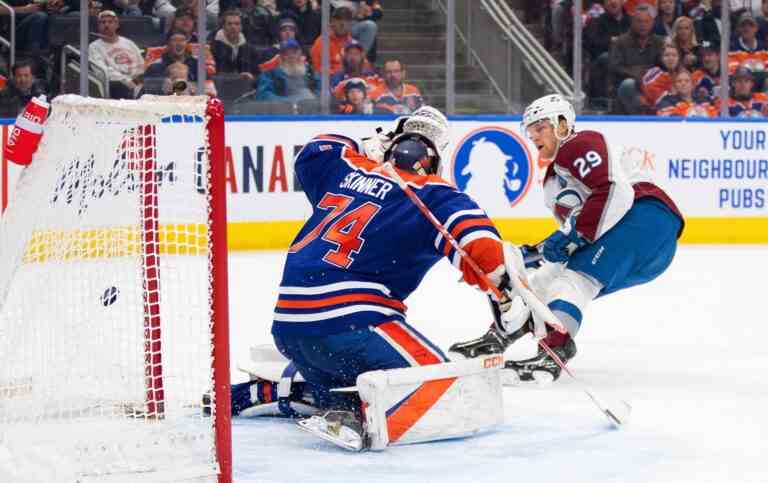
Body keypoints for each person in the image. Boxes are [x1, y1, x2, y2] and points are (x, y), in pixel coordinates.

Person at [230, 107, 516, 450]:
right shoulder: (434, 193)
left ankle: (295, 392)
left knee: (349, 376)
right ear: (436, 162)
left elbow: (314, 150)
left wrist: (367, 145)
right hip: (353, 327)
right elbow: (482, 249)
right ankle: (363, 413)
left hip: (290, 330)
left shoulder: (345, 167)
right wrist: (506, 287)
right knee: (450, 391)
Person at [451, 94, 684, 383]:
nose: (534, 136)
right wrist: (530, 255)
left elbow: (613, 191)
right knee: (544, 281)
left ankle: (555, 351)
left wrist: (576, 235)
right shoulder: (553, 184)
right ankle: (497, 338)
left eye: (541, 127)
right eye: (531, 130)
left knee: (572, 280)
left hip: (644, 217)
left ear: (562, 124)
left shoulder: (578, 144)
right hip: (648, 246)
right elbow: (577, 229)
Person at [611, 4, 666, 113]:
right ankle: (640, 117)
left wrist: (648, 76)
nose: (643, 25)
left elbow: (663, 66)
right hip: (628, 84)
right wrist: (636, 74)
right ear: (633, 22)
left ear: (652, 23)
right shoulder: (621, 42)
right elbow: (614, 66)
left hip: (652, 83)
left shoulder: (659, 42)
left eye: (646, 22)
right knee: (629, 84)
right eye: (639, 21)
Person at [88, 10, 144, 99]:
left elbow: (141, 63)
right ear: (98, 26)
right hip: (116, 85)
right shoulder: (93, 47)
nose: (106, 25)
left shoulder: (128, 43)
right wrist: (127, 81)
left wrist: (139, 79)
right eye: (103, 22)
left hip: (136, 82)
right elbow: (102, 72)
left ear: (117, 25)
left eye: (110, 22)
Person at [211, 9, 255, 80]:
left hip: (243, 87)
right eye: (229, 24)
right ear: (223, 26)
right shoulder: (212, 46)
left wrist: (251, 76)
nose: (233, 27)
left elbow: (254, 72)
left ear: (241, 27)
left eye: (236, 24)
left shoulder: (248, 47)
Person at [310, 5, 354, 75]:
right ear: (332, 22)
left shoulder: (353, 43)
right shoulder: (322, 42)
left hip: (350, 81)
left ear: (351, 24)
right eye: (339, 20)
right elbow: (318, 69)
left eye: (346, 20)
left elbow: (364, 66)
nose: (342, 23)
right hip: (329, 81)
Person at [640, 44, 681, 108]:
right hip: (654, 113)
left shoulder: (682, 74)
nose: (671, 58)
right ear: (661, 58)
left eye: (674, 55)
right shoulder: (653, 72)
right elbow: (651, 92)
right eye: (666, 55)